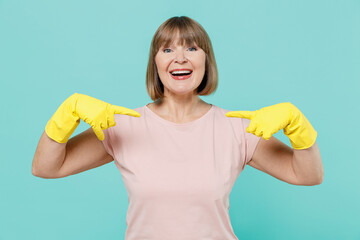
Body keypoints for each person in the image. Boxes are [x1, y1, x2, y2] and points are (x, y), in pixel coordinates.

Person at [32, 16, 323, 240]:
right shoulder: (121, 126)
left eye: (192, 48)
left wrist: (298, 127)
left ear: (205, 60)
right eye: (167, 49)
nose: (180, 58)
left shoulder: (239, 128)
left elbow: (308, 175)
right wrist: (65, 116)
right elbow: (47, 167)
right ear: (155, 63)